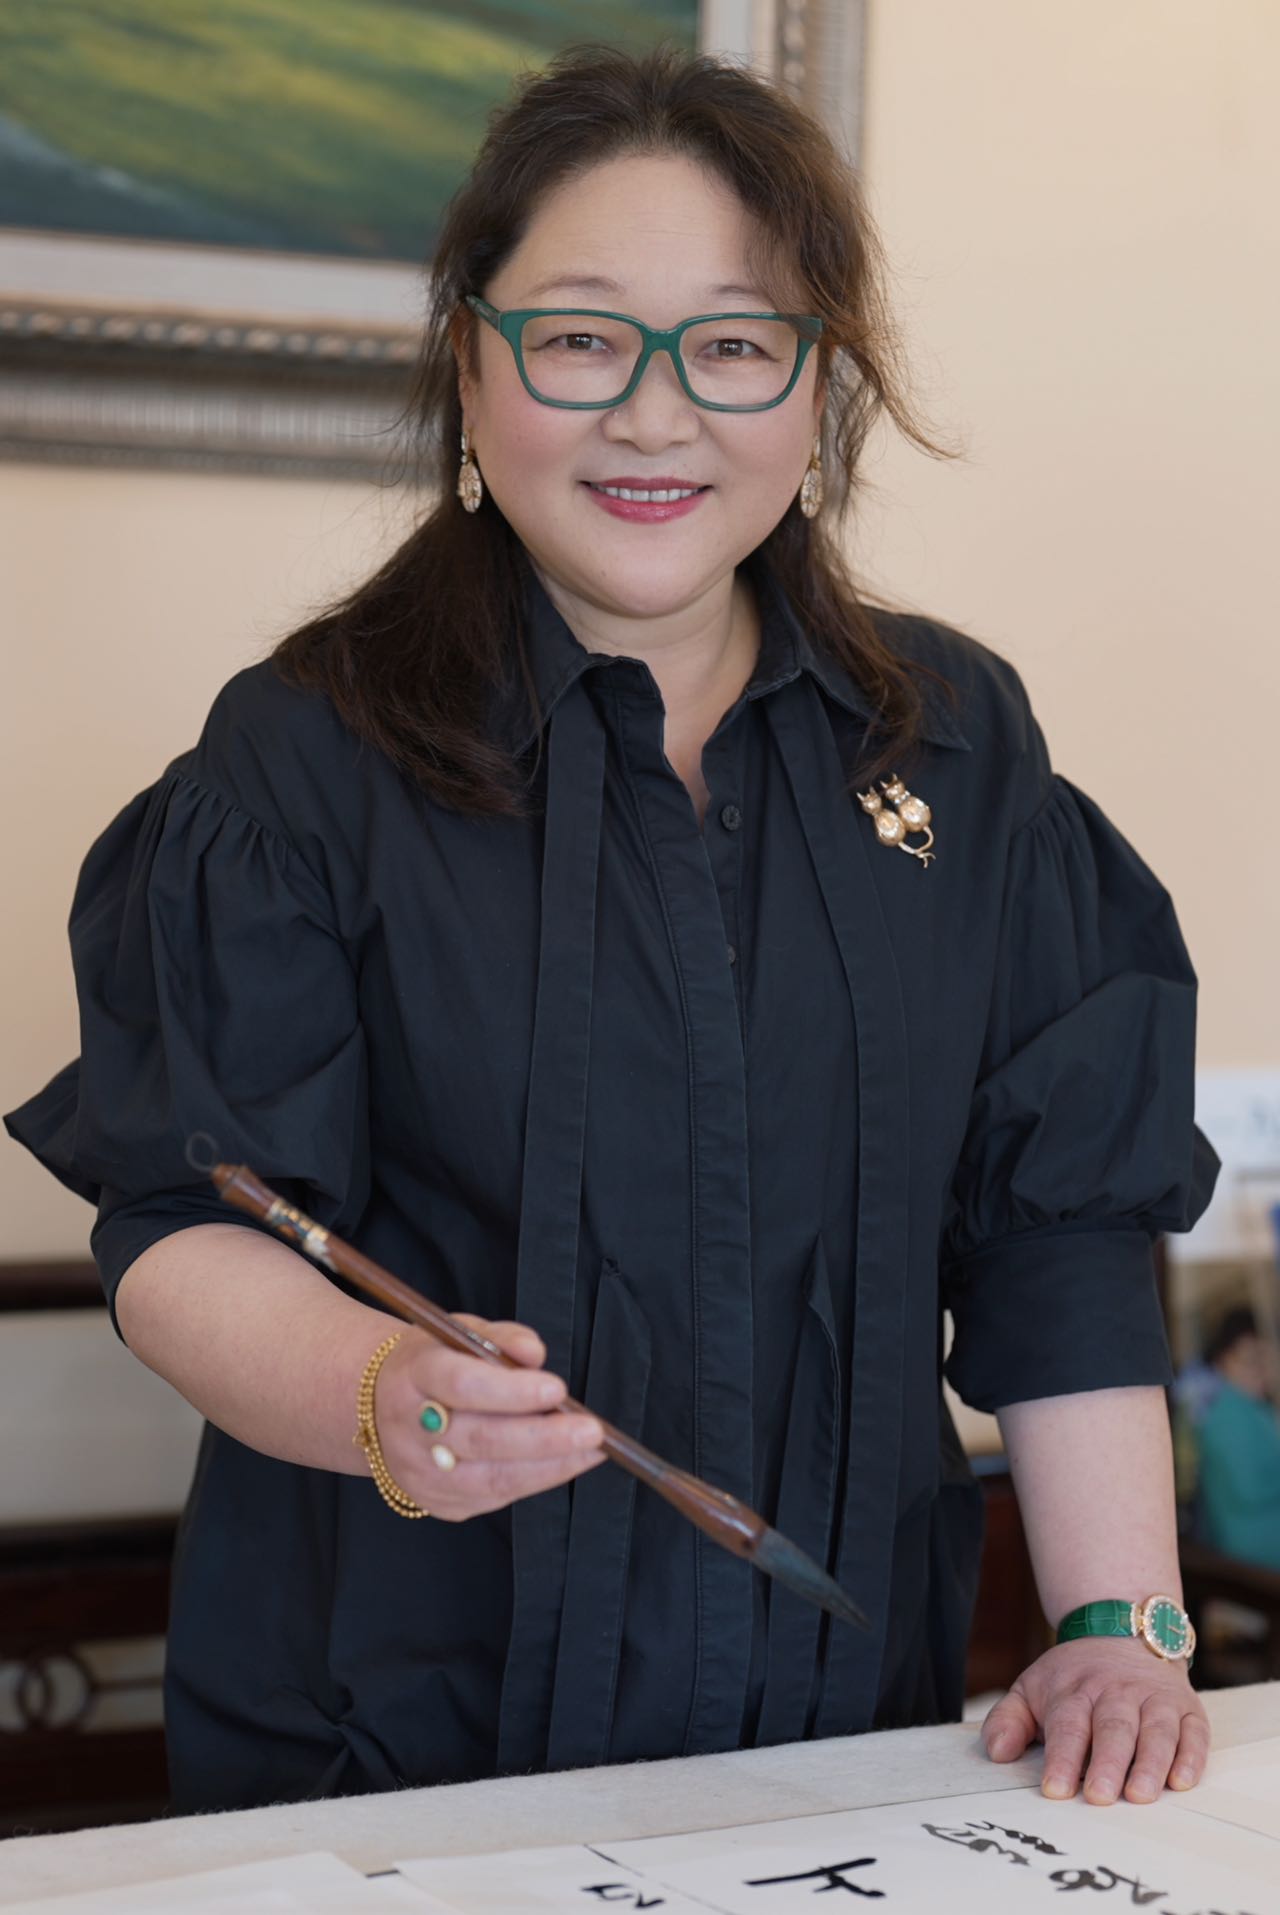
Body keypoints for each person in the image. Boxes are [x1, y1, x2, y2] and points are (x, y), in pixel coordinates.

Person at [6, 44, 1219, 1816]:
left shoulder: (959, 751)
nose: (657, 418)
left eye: (733, 345)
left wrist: (1121, 1620)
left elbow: (1062, 1228)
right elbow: (191, 1225)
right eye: (581, 339)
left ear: (819, 384)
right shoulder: (302, 759)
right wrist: (383, 1390)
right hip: (391, 1764)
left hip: (845, 1749)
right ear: (471, 362)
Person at [1196, 1307, 1280, 1569]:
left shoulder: (1254, 1407)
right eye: (1250, 1359)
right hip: (1252, 1545)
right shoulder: (1227, 1414)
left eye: (1264, 1357)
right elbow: (1248, 1490)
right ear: (1223, 1361)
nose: (1260, 1369)